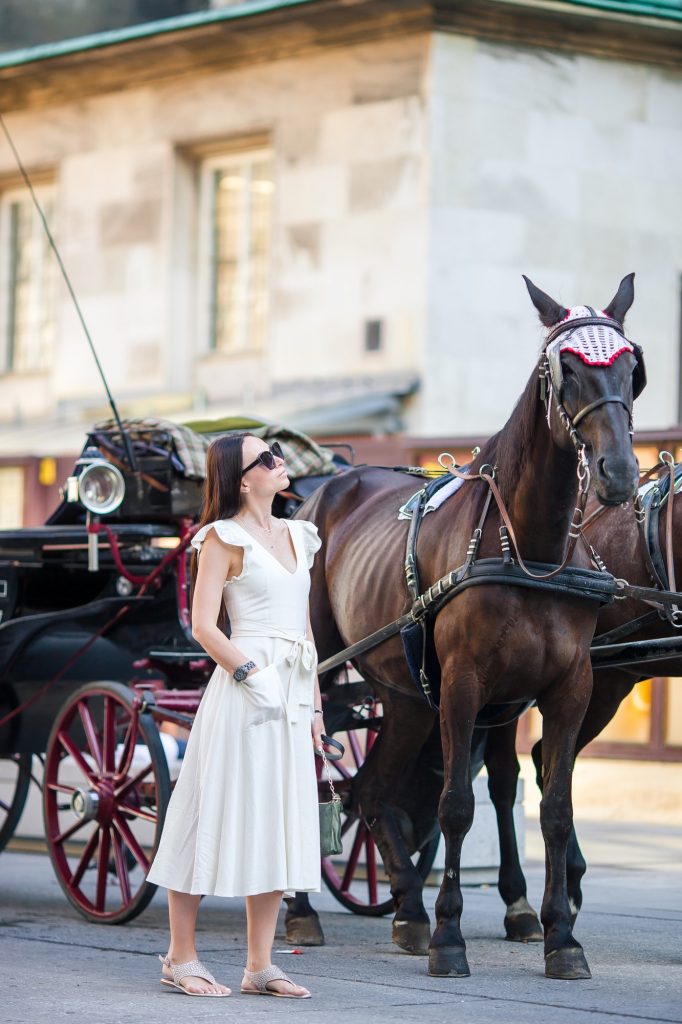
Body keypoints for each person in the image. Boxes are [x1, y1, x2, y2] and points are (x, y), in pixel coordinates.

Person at [147, 432, 325, 998]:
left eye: (278, 454)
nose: (280, 463)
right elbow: (204, 625)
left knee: (278, 816)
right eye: (267, 459)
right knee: (207, 810)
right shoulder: (222, 538)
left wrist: (315, 704)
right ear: (243, 478)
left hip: (292, 688)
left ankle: (259, 965)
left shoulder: (300, 534)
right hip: (246, 684)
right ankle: (180, 956)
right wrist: (253, 675)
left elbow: (305, 627)